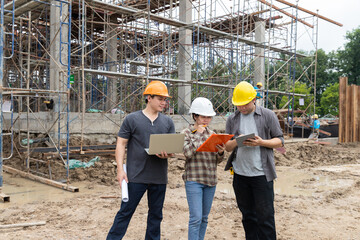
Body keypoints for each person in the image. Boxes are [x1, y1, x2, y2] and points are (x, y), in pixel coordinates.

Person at [107, 81, 175, 240]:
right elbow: (121, 143)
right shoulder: (132, 119)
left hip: (159, 177)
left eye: (165, 100)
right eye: (160, 99)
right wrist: (120, 170)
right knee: (125, 213)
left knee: (156, 216)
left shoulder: (167, 122)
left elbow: (172, 148)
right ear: (149, 98)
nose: (164, 103)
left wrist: (168, 154)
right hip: (135, 176)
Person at [224, 81, 284, 240]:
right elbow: (227, 147)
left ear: (254, 100)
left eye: (245, 104)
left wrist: (261, 142)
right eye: (238, 105)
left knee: (265, 218)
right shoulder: (232, 119)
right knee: (248, 217)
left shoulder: (268, 115)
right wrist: (237, 141)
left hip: (261, 175)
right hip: (240, 175)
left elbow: (280, 141)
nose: (242, 108)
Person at [181, 97, 225, 240]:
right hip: (194, 180)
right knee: (195, 218)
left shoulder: (212, 134)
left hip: (210, 180)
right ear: (195, 116)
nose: (206, 120)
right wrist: (198, 134)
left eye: (208, 117)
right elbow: (187, 153)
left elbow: (217, 160)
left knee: (204, 218)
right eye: (203, 116)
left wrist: (220, 152)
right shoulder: (186, 133)